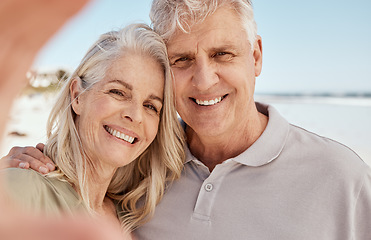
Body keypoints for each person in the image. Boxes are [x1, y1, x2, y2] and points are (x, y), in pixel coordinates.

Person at [2, 0, 371, 239]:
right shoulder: (148, 170)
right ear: (76, 95)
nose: (204, 79)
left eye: (223, 54)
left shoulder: (342, 179)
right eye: (181, 60)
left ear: (256, 56)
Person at [1, 22, 185, 238]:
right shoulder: (22, 191)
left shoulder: (132, 218)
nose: (135, 115)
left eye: (150, 106)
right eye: (118, 92)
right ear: (77, 95)